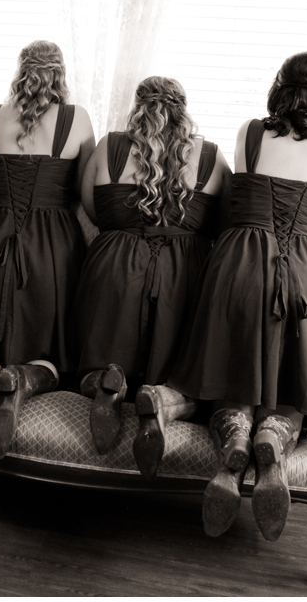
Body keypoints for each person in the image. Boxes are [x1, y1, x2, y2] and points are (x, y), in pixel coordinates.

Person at [172, 52, 307, 542]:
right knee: (295, 382)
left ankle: (235, 436)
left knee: (234, 373)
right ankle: (272, 441)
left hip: (241, 266)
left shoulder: (251, 134)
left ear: (280, 87)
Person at [74, 77, 228, 477]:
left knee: (95, 362)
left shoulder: (109, 146)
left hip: (112, 270)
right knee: (187, 378)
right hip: (183, 278)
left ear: (138, 105)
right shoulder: (210, 155)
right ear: (184, 108)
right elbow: (223, 222)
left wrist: (128, 232)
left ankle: (107, 386)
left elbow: (93, 210)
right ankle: (157, 400)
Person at [0, 41, 95, 460]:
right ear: (61, 74)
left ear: (20, 71)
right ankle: (19, 384)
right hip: (53, 247)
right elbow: (83, 189)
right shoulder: (77, 119)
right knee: (51, 349)